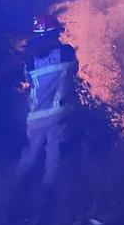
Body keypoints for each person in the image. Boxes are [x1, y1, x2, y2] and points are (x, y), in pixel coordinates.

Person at [16, 14, 80, 208]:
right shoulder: (66, 53)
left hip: (34, 118)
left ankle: (14, 192)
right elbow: (73, 70)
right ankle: (46, 200)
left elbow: (28, 80)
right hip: (58, 115)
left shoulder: (30, 62)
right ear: (54, 34)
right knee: (54, 159)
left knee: (29, 158)